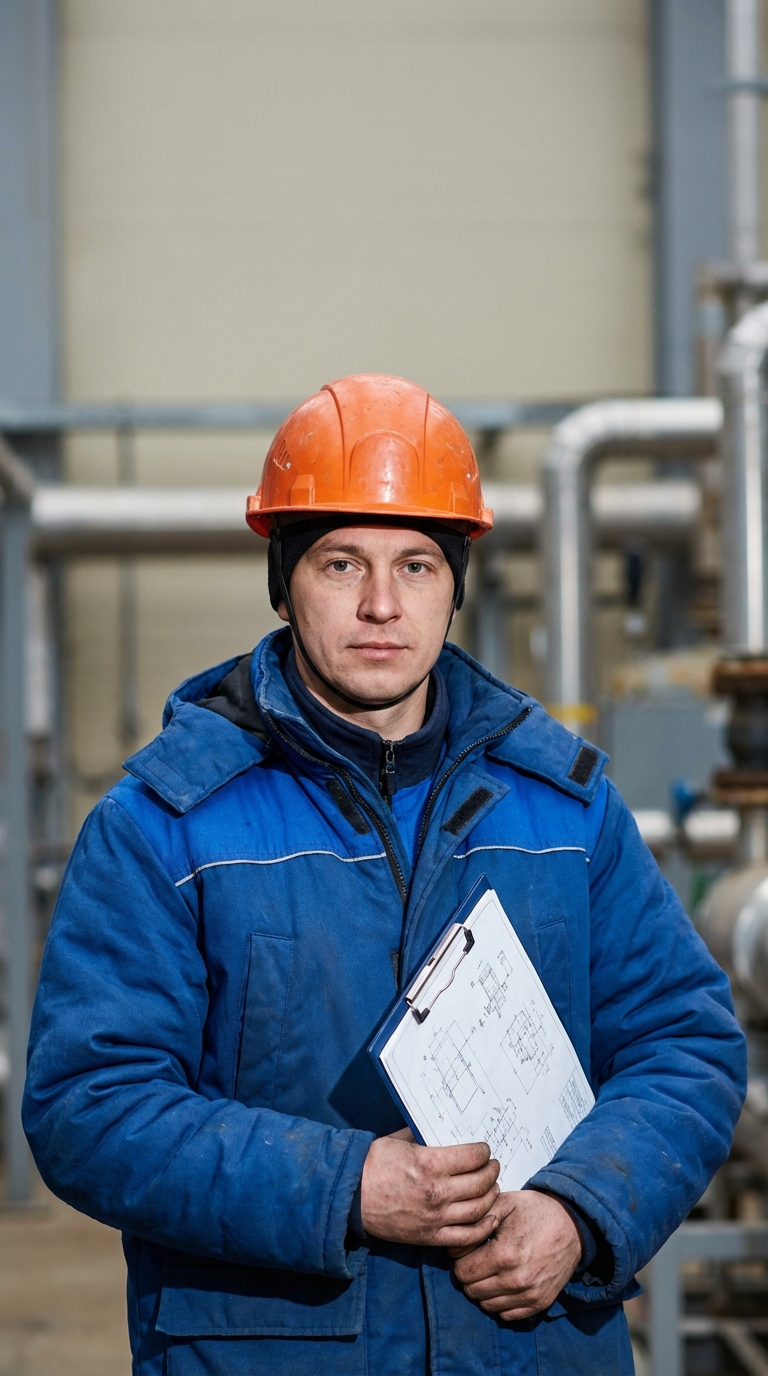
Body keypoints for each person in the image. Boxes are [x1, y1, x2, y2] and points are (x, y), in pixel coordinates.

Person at [24, 374, 746, 1376]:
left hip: (527, 1346)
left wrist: (581, 1211)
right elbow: (89, 1104)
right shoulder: (164, 825)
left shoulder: (566, 811)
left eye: (416, 563)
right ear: (284, 579)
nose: (380, 603)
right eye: (340, 562)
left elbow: (688, 1044)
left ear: (456, 582)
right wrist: (346, 1183)